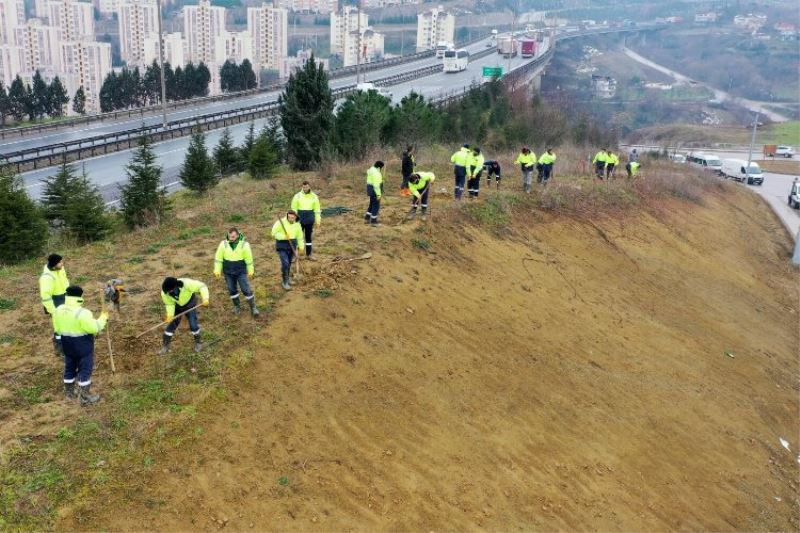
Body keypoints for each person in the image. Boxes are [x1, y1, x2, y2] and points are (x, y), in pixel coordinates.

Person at [53, 285, 108, 405]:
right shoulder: (83, 313)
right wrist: (103, 317)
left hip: (66, 344)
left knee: (69, 367)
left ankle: (69, 393)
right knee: (85, 369)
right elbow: (94, 328)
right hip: (82, 345)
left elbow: (57, 328)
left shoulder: (58, 309)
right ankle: (85, 397)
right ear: (80, 296)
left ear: (66, 295)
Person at [214, 228, 259, 317]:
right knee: (232, 289)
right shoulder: (223, 244)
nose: (231, 238)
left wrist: (251, 270)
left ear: (238, 235)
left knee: (246, 289)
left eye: (233, 236)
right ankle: (237, 306)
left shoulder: (244, 245)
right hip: (228, 271)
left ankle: (253, 307)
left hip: (240, 271)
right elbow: (218, 258)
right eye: (230, 236)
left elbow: (249, 259)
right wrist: (217, 270)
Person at [160, 277, 209, 354]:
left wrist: (205, 298)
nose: (169, 292)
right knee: (171, 324)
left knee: (193, 324)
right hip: (178, 306)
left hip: (190, 304)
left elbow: (202, 286)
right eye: (168, 291)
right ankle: (165, 346)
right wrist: (170, 315)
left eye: (170, 290)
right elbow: (169, 304)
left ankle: (199, 343)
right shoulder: (165, 293)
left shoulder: (187, 284)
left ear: (175, 286)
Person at [39, 253, 69, 357]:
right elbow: (46, 296)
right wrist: (53, 311)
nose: (62, 263)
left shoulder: (60, 269)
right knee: (59, 326)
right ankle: (59, 348)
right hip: (55, 301)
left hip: (65, 296)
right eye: (60, 262)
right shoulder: (47, 277)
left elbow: (65, 281)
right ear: (54, 264)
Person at [271, 210, 305, 291]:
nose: (290, 219)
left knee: (289, 263)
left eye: (292, 218)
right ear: (287, 216)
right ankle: (285, 281)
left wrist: (301, 247)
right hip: (282, 245)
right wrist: (283, 236)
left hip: (292, 245)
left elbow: (300, 237)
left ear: (295, 217)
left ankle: (288, 278)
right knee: (285, 263)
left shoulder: (297, 225)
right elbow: (273, 233)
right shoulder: (280, 222)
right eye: (289, 217)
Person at [290, 181, 321, 260]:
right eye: (304, 187)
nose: (305, 188)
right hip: (299, 219)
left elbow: (317, 209)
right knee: (297, 237)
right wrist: (294, 219)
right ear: (302, 187)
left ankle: (309, 254)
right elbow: (294, 208)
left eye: (306, 187)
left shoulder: (314, 196)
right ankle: (295, 256)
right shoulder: (297, 196)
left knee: (308, 237)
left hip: (309, 219)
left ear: (309, 187)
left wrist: (318, 220)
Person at [364, 161, 384, 226]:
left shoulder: (372, 170)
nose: (381, 169)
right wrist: (378, 194)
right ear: (379, 167)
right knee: (376, 206)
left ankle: (367, 218)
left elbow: (374, 181)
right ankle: (373, 221)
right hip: (375, 191)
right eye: (381, 168)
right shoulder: (376, 173)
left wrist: (381, 180)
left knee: (371, 204)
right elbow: (376, 185)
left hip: (370, 190)